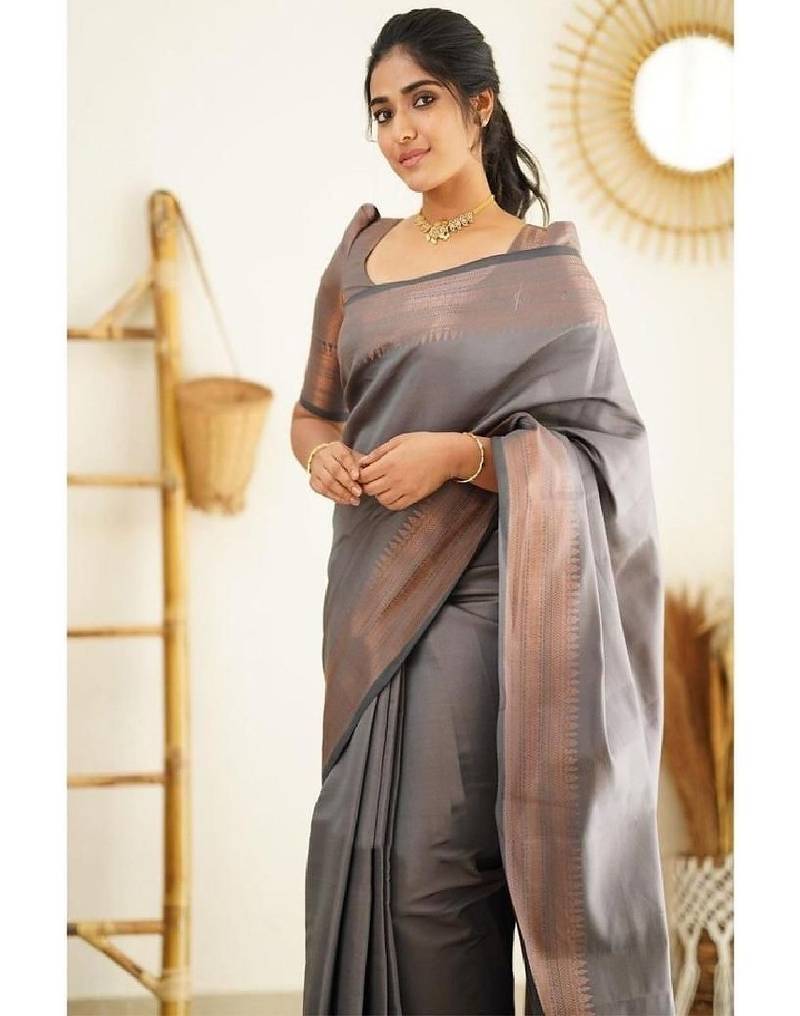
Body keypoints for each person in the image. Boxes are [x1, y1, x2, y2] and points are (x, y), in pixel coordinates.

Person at [289, 9, 676, 1016]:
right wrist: (322, 455)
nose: (401, 129)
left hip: (497, 606)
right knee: (375, 859)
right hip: (371, 601)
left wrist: (462, 456)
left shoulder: (545, 272)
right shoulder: (357, 259)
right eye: (382, 111)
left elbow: (609, 455)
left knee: (442, 876)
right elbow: (312, 413)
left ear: (479, 106)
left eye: (421, 100)